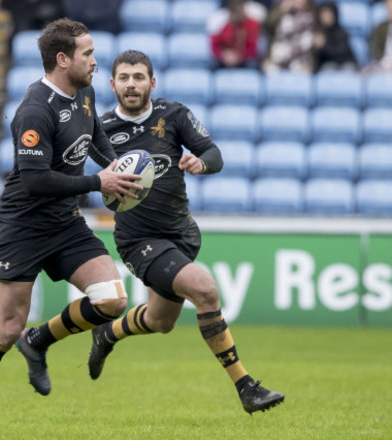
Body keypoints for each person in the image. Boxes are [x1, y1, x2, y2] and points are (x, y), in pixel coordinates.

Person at [0, 18, 143, 434]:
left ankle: (39, 341)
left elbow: (94, 137)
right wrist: (97, 182)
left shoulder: (84, 92)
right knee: (6, 328)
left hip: (64, 223)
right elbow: (34, 180)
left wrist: (116, 169)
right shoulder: (35, 110)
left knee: (112, 300)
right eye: (87, 54)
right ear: (61, 59)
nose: (94, 60)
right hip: (20, 229)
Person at [88, 49, 285, 414]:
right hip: (138, 241)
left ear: (152, 83)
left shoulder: (173, 115)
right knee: (206, 291)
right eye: (125, 78)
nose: (132, 85)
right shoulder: (100, 130)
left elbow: (214, 153)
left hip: (181, 234)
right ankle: (246, 387)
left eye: (139, 77)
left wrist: (201, 162)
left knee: (160, 321)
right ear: (112, 84)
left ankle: (107, 333)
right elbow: (78, 174)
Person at [262, 0, 318, 73]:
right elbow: (268, 25)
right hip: (278, 58)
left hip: (302, 61)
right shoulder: (281, 12)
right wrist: (281, 10)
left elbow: (319, 37)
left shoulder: (313, 15)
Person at [208, 0, 262, 69]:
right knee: (212, 65)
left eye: (239, 9)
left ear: (244, 8)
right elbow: (214, 46)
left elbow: (253, 48)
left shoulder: (253, 23)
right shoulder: (220, 22)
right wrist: (223, 55)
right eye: (234, 11)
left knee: (253, 64)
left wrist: (239, 57)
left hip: (244, 60)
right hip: (224, 60)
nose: (237, 14)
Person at [313, 2, 357, 72]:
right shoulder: (318, 33)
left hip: (344, 63)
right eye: (323, 14)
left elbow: (341, 52)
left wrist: (324, 45)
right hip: (327, 66)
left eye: (328, 14)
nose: (326, 17)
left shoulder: (342, 33)